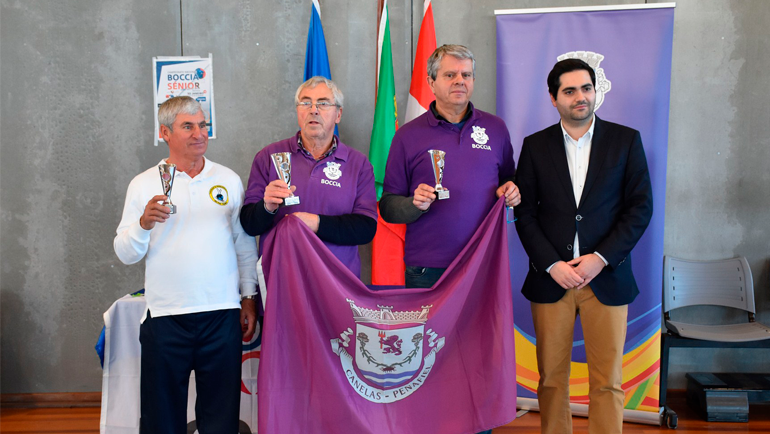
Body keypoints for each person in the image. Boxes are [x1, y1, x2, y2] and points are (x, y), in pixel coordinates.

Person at [514, 59, 653, 434]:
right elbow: (524, 214)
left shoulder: (625, 140)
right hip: (551, 280)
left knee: (608, 381)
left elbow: (640, 208)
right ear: (553, 98)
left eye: (587, 88)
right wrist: (551, 264)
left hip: (606, 278)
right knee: (551, 380)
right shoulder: (535, 146)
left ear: (596, 91)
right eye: (570, 91)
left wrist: (601, 258)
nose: (581, 97)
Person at [114, 96, 258, 433]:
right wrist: (143, 224)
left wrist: (248, 296)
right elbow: (125, 252)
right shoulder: (143, 184)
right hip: (166, 319)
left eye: (203, 125)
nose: (199, 133)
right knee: (161, 419)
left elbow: (244, 246)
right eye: (188, 126)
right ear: (165, 132)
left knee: (220, 419)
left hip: (221, 315)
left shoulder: (229, 179)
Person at [380, 44, 520, 289]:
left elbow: (510, 180)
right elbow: (388, 207)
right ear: (431, 82)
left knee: (481, 330)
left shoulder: (496, 129)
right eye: (449, 75)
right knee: (432, 330)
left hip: (484, 261)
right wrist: (414, 204)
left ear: (473, 80)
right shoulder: (407, 136)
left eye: (466, 75)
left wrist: (512, 190)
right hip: (427, 268)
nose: (459, 81)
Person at [240, 76, 377, 279]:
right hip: (282, 279)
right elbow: (250, 225)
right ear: (298, 112)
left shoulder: (358, 164)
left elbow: (365, 229)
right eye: (306, 103)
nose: (313, 109)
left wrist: (316, 223)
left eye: (323, 103)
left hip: (338, 282)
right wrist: (266, 207)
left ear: (338, 114)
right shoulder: (268, 157)